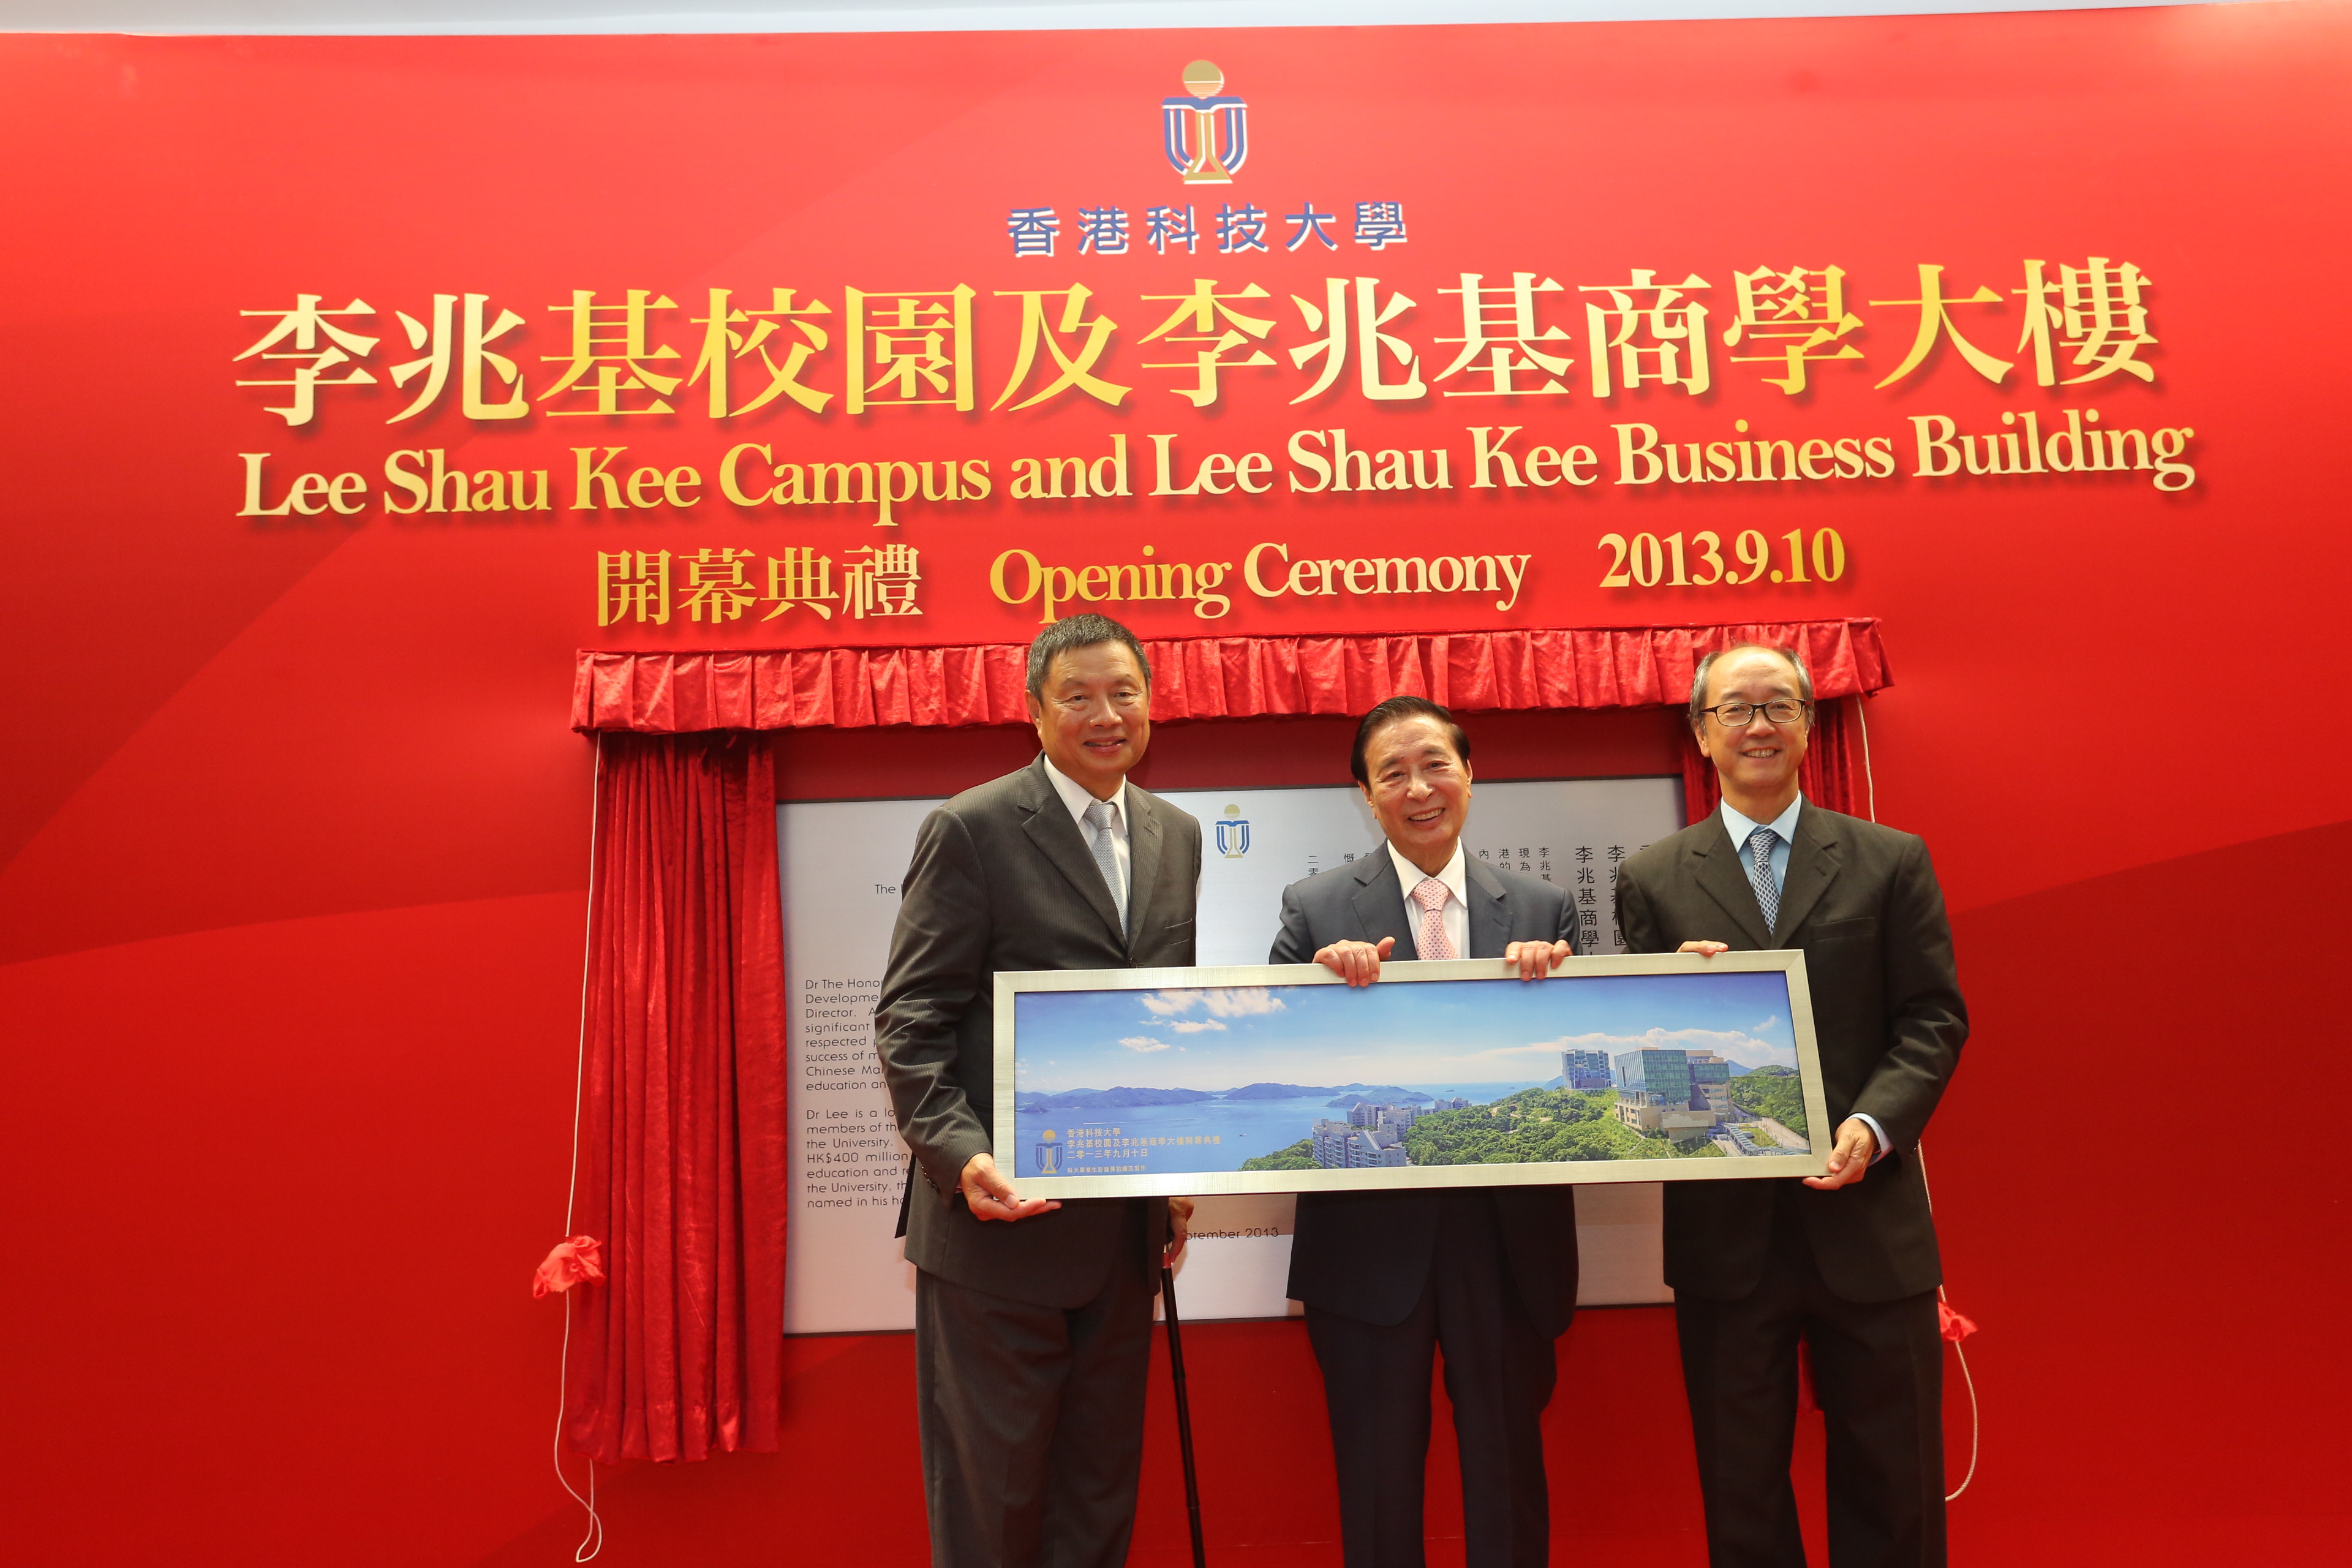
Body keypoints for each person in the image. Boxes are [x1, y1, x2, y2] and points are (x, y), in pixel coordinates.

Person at [1614, 644, 1968, 1568]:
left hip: (1870, 1221)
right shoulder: (1652, 877)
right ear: (1701, 733)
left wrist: (1874, 1126)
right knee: (1741, 1490)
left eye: (1779, 706)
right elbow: (1639, 1050)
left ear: (1811, 724)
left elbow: (1931, 1018)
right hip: (1727, 1242)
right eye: (1735, 710)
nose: (1759, 725)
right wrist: (1671, 1008)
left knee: (1895, 1483)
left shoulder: (1890, 859)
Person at [873, 613, 1203, 1568]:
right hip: (997, 1233)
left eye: (1124, 693)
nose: (1106, 716)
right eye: (1079, 697)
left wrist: (1175, 1167)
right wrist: (962, 1155)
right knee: (997, 1499)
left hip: (1123, 1233)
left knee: (1099, 1493)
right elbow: (912, 1019)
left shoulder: (1174, 834)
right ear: (1035, 711)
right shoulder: (973, 827)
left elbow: (1162, 1018)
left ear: (1150, 701)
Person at [1267, 696, 1581, 1568]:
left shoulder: (1543, 908)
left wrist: (1564, 984)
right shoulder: (1315, 908)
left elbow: (1576, 1056)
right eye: (1392, 773)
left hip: (1506, 1239)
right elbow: (1282, 1057)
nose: (1419, 787)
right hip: (1368, 1246)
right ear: (1367, 797)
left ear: (1471, 775)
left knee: (1508, 1472)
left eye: (1435, 764)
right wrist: (1317, 986)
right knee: (1376, 1480)